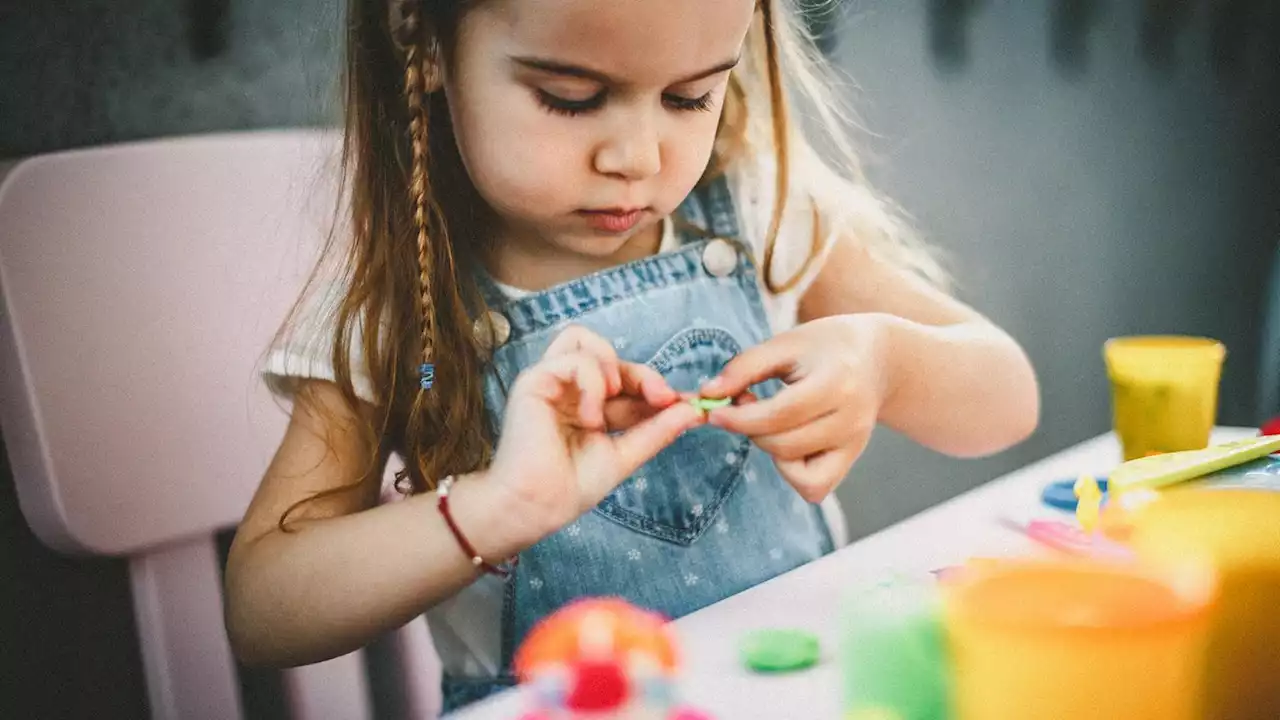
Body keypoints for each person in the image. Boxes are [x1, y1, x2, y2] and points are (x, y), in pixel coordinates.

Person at [224, 0, 1040, 711]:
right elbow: (264, 608)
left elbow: (1007, 401)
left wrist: (886, 361)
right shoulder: (403, 311)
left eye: (691, 97)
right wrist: (492, 509)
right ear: (424, 38)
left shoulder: (760, 212)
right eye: (571, 98)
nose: (638, 159)